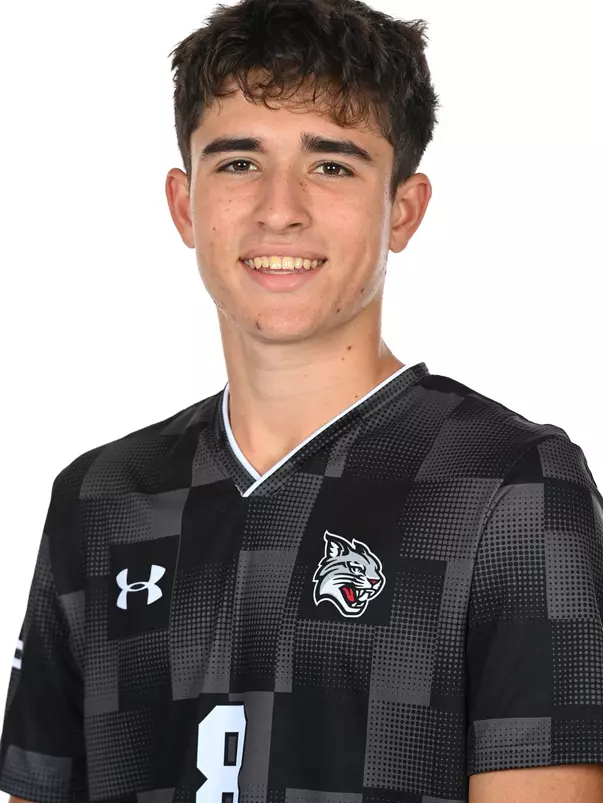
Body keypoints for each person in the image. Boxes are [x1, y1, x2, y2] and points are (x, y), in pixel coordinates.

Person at [1, 0, 602, 801]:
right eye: (239, 162)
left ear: (403, 208)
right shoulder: (99, 497)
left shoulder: (511, 486)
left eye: (331, 165)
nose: (279, 208)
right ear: (184, 204)